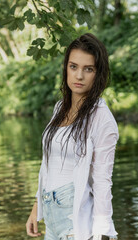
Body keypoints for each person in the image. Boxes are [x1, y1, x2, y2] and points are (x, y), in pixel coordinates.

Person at [26, 33, 119, 240]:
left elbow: (103, 181)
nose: (79, 76)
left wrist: (102, 232)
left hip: (74, 221)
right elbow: (48, 164)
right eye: (73, 66)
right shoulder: (60, 107)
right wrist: (36, 208)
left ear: (99, 73)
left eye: (88, 69)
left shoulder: (101, 118)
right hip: (51, 216)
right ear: (65, 68)